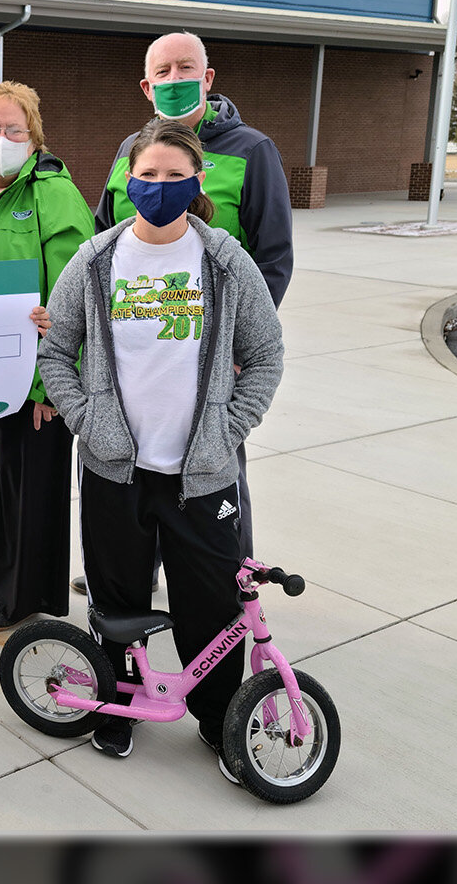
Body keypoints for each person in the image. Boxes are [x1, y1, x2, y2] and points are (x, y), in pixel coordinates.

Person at [38, 117, 284, 776]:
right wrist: (89, 419)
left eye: (175, 176)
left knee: (210, 605)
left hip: (201, 475)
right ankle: (115, 707)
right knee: (115, 603)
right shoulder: (94, 262)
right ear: (126, 180)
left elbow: (265, 355)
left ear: (197, 182)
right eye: (147, 175)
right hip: (116, 472)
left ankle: (218, 719)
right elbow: (57, 349)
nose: (158, 186)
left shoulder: (227, 262)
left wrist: (229, 429)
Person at [77, 31, 294, 592]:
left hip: (208, 357)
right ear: (147, 86)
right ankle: (137, 568)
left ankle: (227, 577)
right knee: (139, 468)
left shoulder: (252, 150)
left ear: (209, 76)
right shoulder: (132, 150)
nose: (176, 80)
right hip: (136, 347)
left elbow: (271, 258)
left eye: (186, 68)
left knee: (212, 467)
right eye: (164, 72)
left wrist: (240, 344)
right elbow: (103, 238)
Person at [0, 82, 94, 632]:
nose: (1, 139)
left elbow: (74, 295)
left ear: (34, 138)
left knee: (25, 487)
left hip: (30, 378)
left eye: (14, 130)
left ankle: (22, 595)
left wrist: (53, 385)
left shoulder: (53, 195)